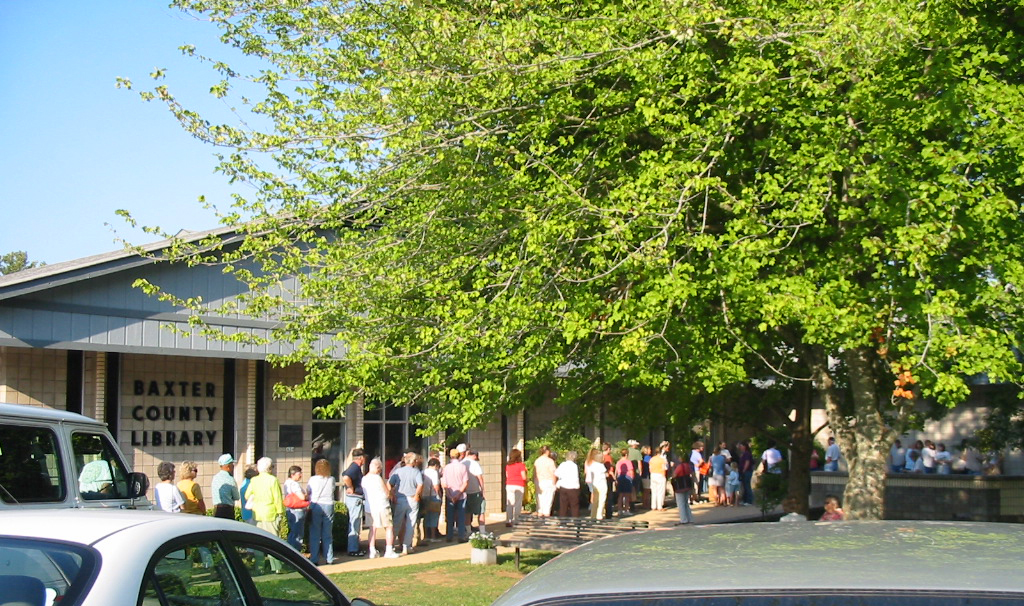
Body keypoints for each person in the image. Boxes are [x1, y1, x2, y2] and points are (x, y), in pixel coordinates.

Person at [248, 457, 285, 571]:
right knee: (273, 541)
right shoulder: (273, 480)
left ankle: (260, 567)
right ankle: (276, 567)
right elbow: (277, 498)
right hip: (271, 513)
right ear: (269, 468)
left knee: (258, 541)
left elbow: (247, 495)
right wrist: (281, 513)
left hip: (257, 514)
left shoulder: (254, 480)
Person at [362, 458, 399, 558]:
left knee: (372, 529)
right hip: (382, 505)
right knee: (389, 527)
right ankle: (389, 550)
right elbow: (387, 492)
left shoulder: (364, 478)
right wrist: (391, 493)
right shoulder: (377, 478)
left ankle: (372, 550)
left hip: (370, 507)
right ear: (378, 468)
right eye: (380, 469)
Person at [390, 451, 423, 555]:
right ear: (413, 461)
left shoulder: (398, 471)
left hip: (400, 499)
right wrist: (417, 495)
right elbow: (420, 484)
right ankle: (406, 546)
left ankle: (390, 545)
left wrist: (392, 495)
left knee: (396, 523)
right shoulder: (416, 472)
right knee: (410, 524)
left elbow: (389, 483)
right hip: (412, 498)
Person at [306, 458, 336, 565]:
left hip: (316, 505)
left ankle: (314, 558)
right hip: (329, 504)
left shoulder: (313, 479)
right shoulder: (331, 479)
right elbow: (333, 490)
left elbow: (308, 491)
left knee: (315, 533)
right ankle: (329, 558)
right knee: (327, 534)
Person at [341, 448, 367, 557]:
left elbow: (344, 473)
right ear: (361, 458)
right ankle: (353, 550)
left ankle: (354, 547)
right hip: (355, 499)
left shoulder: (353, 467)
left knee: (354, 523)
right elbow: (346, 477)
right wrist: (351, 487)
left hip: (354, 499)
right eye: (364, 457)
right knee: (354, 523)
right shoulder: (355, 467)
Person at [441, 447, 469, 542]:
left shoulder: (446, 467)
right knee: (461, 516)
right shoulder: (462, 467)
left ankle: (449, 535)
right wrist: (458, 494)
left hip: (450, 495)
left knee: (450, 517)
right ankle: (461, 535)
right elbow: (465, 482)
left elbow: (444, 483)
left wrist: (450, 494)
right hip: (460, 495)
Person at [283, 465, 308, 551]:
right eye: (299, 473)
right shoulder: (294, 484)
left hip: (289, 509)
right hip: (297, 510)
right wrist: (307, 495)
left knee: (292, 532)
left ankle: (289, 551)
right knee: (298, 534)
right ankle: (296, 553)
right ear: (292, 474)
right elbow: (302, 497)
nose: (301, 475)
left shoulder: (286, 483)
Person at [462, 449, 486, 534]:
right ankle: (482, 531)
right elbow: (480, 477)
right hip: (475, 491)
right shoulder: (475, 464)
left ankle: (468, 531)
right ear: (474, 456)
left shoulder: (462, 463)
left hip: (465, 491)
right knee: (481, 511)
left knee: (467, 513)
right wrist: (482, 489)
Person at [211, 453, 239, 520]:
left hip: (216, 509)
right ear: (228, 466)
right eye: (232, 464)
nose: (233, 467)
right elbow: (236, 496)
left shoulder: (215, 478)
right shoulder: (230, 479)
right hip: (227, 510)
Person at [421, 457, 443, 541]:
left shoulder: (423, 471)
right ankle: (433, 537)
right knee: (434, 517)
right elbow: (436, 486)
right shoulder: (434, 472)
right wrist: (440, 495)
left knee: (426, 517)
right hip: (433, 496)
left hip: (424, 496)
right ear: (436, 465)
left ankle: (426, 536)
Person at [555, 450, 581, 517]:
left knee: (563, 506)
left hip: (563, 486)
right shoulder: (574, 466)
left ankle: (562, 522)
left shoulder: (562, 464)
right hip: (573, 487)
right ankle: (576, 523)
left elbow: (556, 473)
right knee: (574, 506)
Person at [584, 448, 608, 520]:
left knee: (595, 501)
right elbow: (605, 474)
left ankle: (593, 515)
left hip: (595, 484)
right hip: (602, 484)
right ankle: (599, 515)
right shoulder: (601, 466)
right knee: (602, 500)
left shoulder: (592, 465)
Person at [505, 449, 527, 526]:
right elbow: (523, 477)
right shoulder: (521, 465)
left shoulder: (508, 465)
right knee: (518, 503)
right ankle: (516, 520)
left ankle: (508, 520)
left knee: (510, 503)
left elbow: (507, 475)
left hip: (509, 484)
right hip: (519, 485)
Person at [533, 445, 557, 517]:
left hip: (539, 481)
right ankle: (546, 514)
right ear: (547, 451)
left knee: (540, 500)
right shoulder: (550, 461)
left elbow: (534, 473)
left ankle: (540, 513)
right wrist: (555, 483)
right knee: (548, 500)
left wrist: (535, 481)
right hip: (548, 481)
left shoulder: (537, 461)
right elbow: (553, 473)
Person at [671, 459, 694, 524]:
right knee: (686, 503)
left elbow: (674, 475)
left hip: (680, 486)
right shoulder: (688, 466)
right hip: (687, 485)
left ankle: (683, 519)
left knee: (680, 504)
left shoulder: (679, 466)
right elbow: (692, 474)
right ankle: (690, 518)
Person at [648, 444, 668, 511]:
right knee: (660, 491)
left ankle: (653, 506)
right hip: (660, 474)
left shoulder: (652, 459)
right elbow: (664, 468)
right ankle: (660, 506)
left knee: (654, 491)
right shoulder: (662, 459)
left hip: (653, 474)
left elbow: (650, 468)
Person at [615, 448, 634, 516]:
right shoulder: (628, 462)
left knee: (620, 495)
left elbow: (616, 471)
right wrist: (632, 479)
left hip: (620, 477)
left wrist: (616, 479)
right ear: (626, 454)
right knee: (627, 495)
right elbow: (631, 471)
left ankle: (619, 509)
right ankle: (626, 509)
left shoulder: (618, 462)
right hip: (627, 477)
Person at [738, 441, 755, 506]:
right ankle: (745, 500)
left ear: (744, 446)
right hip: (743, 471)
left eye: (741, 446)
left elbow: (747, 462)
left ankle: (749, 500)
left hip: (747, 471)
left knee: (747, 485)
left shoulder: (747, 453)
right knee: (744, 486)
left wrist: (744, 470)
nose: (740, 447)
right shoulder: (743, 453)